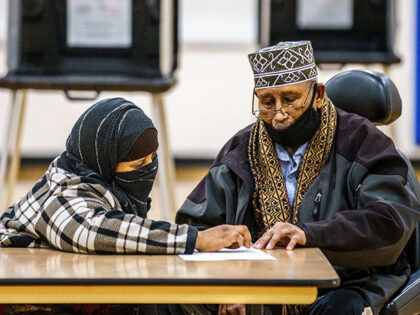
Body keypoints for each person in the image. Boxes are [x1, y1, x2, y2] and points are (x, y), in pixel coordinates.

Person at [176, 41, 420, 315]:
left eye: (290, 99)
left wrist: (308, 233)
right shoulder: (241, 150)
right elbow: (197, 229)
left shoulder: (364, 143)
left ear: (318, 94)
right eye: (267, 102)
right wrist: (226, 283)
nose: (279, 114)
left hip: (350, 281)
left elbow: (389, 223)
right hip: (259, 284)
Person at [0, 97, 251, 315]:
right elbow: (91, 231)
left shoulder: (102, 184)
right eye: (136, 165)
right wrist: (195, 238)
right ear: (104, 159)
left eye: (153, 159)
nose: (148, 169)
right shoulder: (60, 192)